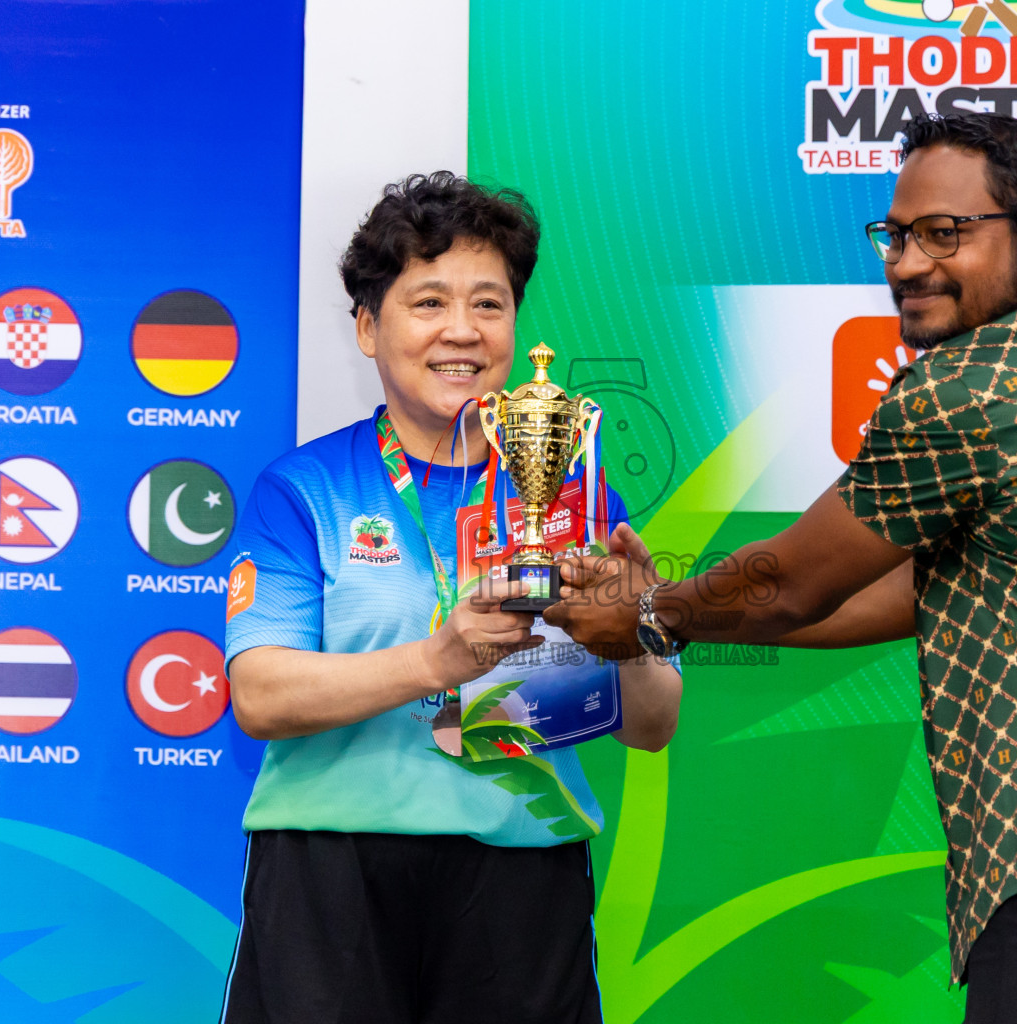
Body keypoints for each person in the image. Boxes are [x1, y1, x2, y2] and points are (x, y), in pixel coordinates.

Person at [545, 114, 1017, 1023]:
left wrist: (650, 618)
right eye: (898, 234)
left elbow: (791, 582)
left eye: (946, 233)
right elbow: (878, 593)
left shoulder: (981, 385)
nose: (908, 263)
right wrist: (663, 604)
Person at [220, 171, 683, 1024]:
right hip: (330, 879)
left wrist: (641, 633)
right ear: (368, 326)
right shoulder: (304, 490)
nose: (462, 332)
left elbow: (652, 727)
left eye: (490, 304)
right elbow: (259, 694)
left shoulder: (572, 494)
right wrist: (436, 660)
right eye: (428, 302)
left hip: (518, 882)